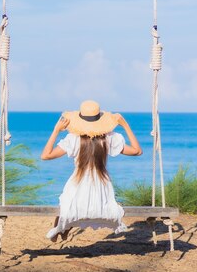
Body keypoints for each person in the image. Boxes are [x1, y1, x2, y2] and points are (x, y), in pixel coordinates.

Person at [40, 100, 142, 242]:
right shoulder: (109, 139)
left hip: (78, 183)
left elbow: (45, 155)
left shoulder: (74, 139)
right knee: (81, 206)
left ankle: (62, 227)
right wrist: (125, 125)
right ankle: (64, 227)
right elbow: (137, 151)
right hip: (102, 186)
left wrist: (56, 130)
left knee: (70, 203)